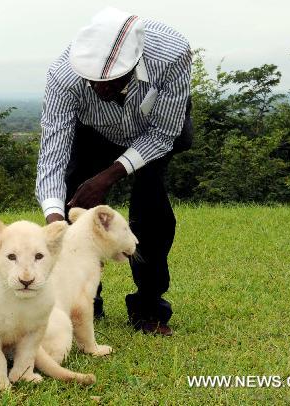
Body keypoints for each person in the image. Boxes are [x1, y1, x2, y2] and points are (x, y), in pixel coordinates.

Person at [35, 7, 193, 336]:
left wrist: (109, 176)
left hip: (153, 132)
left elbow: (163, 134)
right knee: (73, 207)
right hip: (94, 132)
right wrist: (55, 221)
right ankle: (83, 300)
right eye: (92, 79)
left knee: (152, 213)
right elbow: (53, 154)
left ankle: (149, 307)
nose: (99, 87)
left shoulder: (173, 54)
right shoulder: (63, 76)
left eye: (109, 80)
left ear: (135, 63)